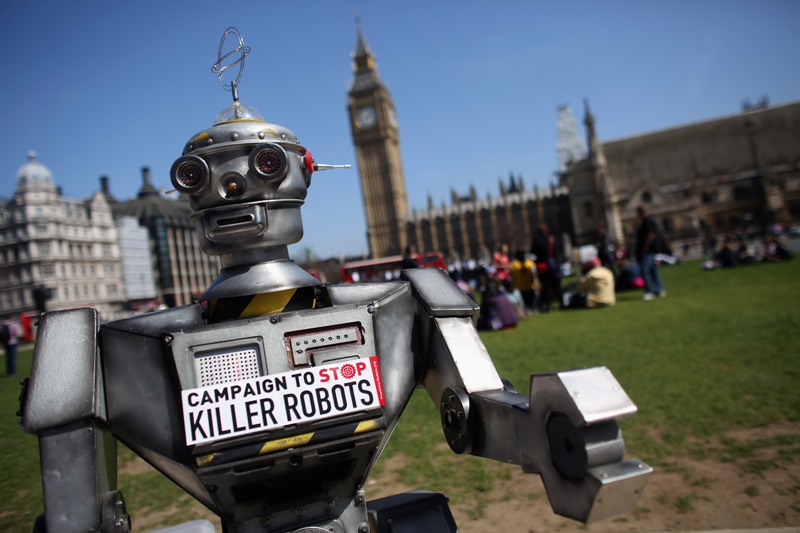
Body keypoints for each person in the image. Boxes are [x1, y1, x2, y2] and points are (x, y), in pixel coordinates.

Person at [634, 206, 666, 300]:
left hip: (648, 251)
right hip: (651, 250)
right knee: (653, 270)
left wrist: (645, 248)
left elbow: (651, 235)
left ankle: (649, 291)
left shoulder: (647, 222)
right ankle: (659, 289)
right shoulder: (650, 221)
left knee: (645, 271)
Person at [531, 224, 561, 312]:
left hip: (542, 267)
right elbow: (555, 253)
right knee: (556, 285)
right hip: (552, 265)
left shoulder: (536, 241)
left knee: (546, 286)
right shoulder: (551, 239)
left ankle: (548, 305)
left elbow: (533, 254)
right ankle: (562, 302)